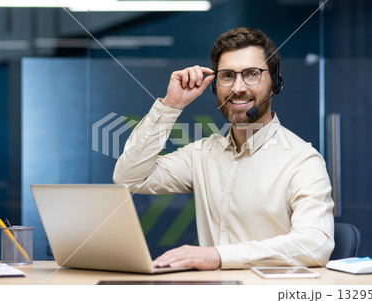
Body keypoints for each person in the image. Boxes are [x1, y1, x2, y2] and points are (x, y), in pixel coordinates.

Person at [113, 27, 334, 270]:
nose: (238, 87)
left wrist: (218, 256)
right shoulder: (201, 154)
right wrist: (171, 105)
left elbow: (315, 244)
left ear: (275, 83)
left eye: (252, 74)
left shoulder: (302, 160)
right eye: (227, 76)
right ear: (214, 86)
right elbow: (129, 178)